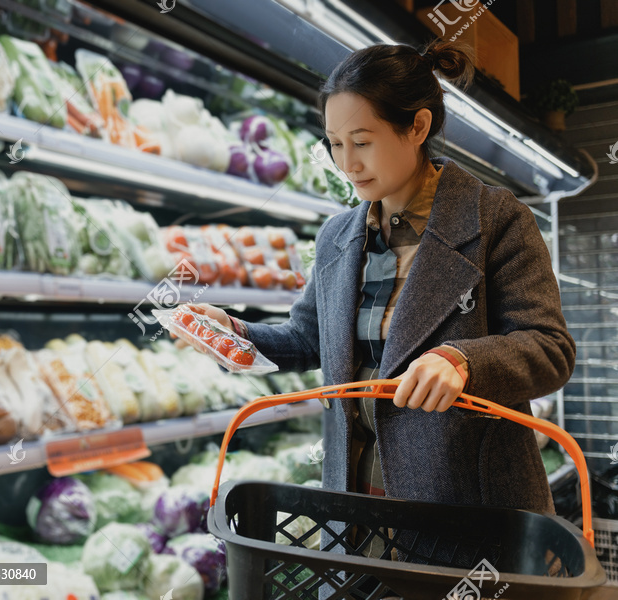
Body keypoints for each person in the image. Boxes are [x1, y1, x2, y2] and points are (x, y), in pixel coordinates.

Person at [183, 40, 575, 559]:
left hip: (467, 511)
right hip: (356, 511)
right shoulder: (336, 237)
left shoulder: (496, 221)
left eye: (361, 141)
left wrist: (463, 361)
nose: (347, 163)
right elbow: (309, 339)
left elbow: (549, 348)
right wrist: (238, 336)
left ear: (416, 127)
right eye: (334, 144)